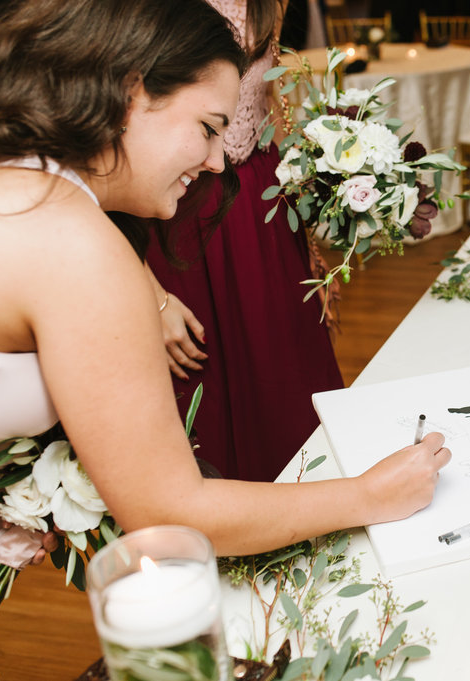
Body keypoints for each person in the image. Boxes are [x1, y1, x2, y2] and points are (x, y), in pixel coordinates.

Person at [0, 0, 450, 558]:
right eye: (209, 128)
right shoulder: (77, 245)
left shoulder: (26, 179)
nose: (218, 161)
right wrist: (370, 495)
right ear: (131, 95)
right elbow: (168, 514)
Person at [145, 0, 344, 483]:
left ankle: (305, 521)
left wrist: (308, 247)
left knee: (285, 383)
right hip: (176, 211)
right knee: (199, 392)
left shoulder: (269, 2)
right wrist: (151, 296)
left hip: (260, 210)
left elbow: (274, 110)